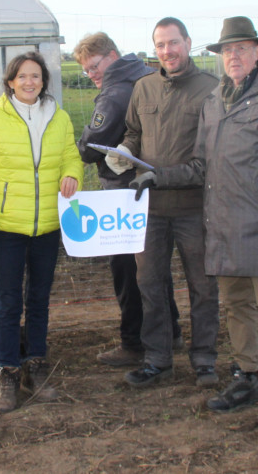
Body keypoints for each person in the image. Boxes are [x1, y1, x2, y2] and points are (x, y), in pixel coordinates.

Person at [134, 16, 258, 434]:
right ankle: (246, 378)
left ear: (257, 52)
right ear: (220, 57)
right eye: (227, 50)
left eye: (242, 48)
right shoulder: (215, 101)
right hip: (224, 228)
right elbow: (200, 166)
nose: (233, 56)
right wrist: (157, 176)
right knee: (236, 307)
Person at [0, 51, 85, 414]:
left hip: (48, 224)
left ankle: (36, 363)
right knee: (8, 303)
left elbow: (70, 156)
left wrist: (73, 175)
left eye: (36, 76)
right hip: (6, 226)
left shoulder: (59, 118)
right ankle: (9, 370)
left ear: (44, 81)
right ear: (11, 81)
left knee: (39, 300)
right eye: (22, 76)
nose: (29, 82)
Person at [106, 17, 221, 389]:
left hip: (194, 209)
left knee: (203, 287)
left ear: (188, 43)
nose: (167, 51)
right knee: (150, 285)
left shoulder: (211, 91)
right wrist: (126, 150)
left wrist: (160, 175)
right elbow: (134, 131)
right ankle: (158, 360)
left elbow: (209, 161)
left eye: (173, 43)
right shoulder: (144, 88)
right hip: (150, 209)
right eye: (160, 45)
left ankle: (204, 359)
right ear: (154, 49)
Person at [72, 32, 182, 367]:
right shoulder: (148, 75)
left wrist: (79, 149)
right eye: (87, 70)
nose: (92, 74)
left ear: (112, 55)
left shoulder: (115, 93)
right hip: (153, 185)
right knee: (153, 266)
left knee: (127, 268)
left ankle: (134, 342)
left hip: (122, 191)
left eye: (95, 66)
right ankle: (170, 333)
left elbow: (89, 147)